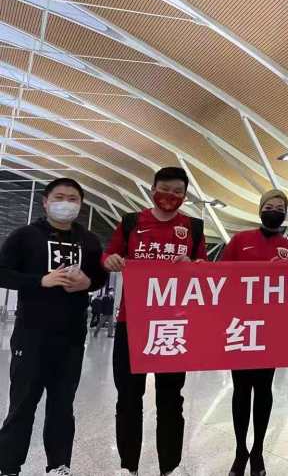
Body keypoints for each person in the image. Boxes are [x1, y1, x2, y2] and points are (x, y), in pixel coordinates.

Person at [102, 167, 207, 476]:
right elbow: (109, 256)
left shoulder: (193, 227)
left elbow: (204, 267)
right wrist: (111, 260)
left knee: (171, 399)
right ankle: (128, 466)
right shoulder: (131, 222)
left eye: (178, 192)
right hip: (132, 322)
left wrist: (194, 264)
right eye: (165, 189)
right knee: (129, 396)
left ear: (184, 196)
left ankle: (169, 467)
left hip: (174, 325)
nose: (170, 196)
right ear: (152, 189)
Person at [0, 177, 107, 476]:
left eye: (73, 199)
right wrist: (40, 281)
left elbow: (99, 277)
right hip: (31, 335)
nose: (66, 203)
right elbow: (2, 272)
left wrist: (88, 283)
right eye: (59, 197)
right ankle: (8, 466)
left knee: (62, 406)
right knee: (22, 404)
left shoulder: (88, 240)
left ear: (81, 205)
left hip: (71, 337)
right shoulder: (25, 236)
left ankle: (59, 465)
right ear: (45, 202)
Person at [221, 189, 288, 476]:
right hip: (241, 326)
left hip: (271, 328)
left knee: (264, 389)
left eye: (280, 207)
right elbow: (219, 278)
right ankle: (240, 451)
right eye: (269, 206)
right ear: (260, 209)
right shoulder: (240, 241)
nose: (274, 210)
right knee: (241, 390)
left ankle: (258, 452)